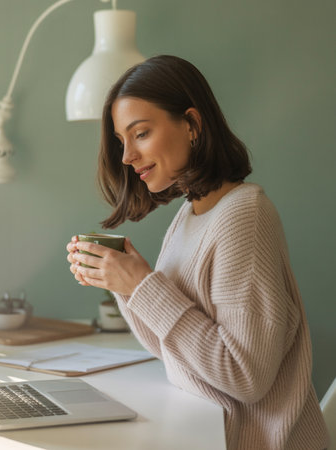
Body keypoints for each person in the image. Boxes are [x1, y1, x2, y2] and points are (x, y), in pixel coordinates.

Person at [66, 55, 329, 450]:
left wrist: (143, 286)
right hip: (208, 429)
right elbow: (175, 351)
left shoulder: (244, 215)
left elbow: (246, 377)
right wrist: (123, 284)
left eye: (140, 134)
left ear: (191, 124)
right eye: (122, 141)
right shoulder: (192, 212)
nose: (126, 157)